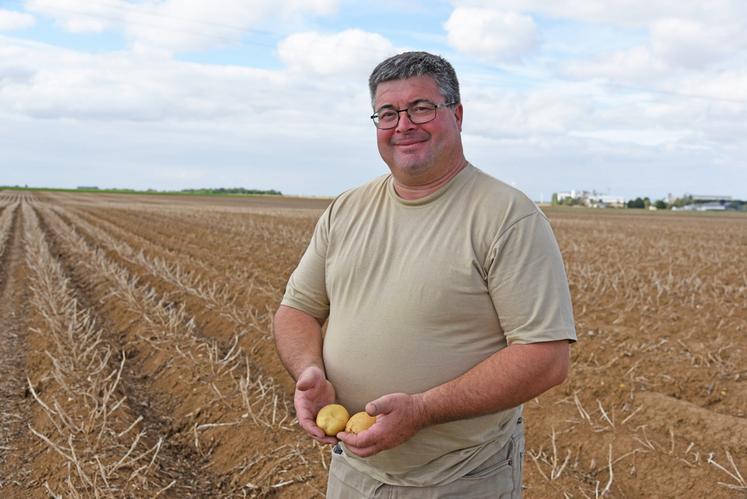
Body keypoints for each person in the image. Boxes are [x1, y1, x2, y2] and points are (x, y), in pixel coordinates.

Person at [273, 51, 576, 498]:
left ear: (456, 114)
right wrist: (310, 370)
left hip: (458, 477)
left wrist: (423, 410)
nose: (403, 125)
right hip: (355, 470)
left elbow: (545, 358)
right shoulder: (347, 209)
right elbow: (296, 309)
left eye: (421, 108)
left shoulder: (506, 216)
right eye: (388, 113)